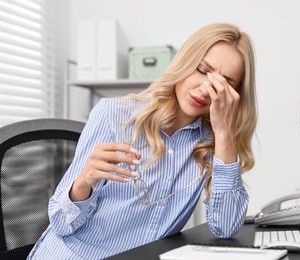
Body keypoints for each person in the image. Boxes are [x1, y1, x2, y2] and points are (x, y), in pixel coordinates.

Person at [27, 22, 257, 259]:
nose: (206, 89)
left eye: (224, 84)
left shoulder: (212, 143)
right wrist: (83, 182)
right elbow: (61, 223)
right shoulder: (113, 115)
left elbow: (227, 228)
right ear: (185, 62)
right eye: (201, 69)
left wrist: (225, 133)